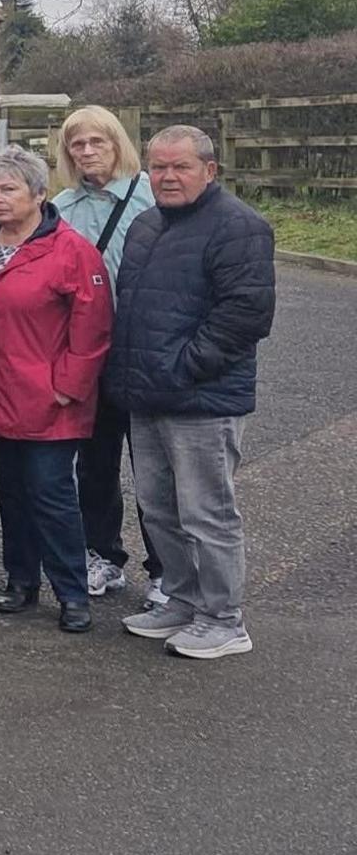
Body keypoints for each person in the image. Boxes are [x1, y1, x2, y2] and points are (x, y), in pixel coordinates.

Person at [111, 126, 274, 660]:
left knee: (207, 514)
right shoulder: (145, 225)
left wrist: (181, 369)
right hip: (148, 397)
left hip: (201, 399)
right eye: (158, 167)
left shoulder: (239, 228)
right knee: (159, 509)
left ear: (210, 170)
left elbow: (244, 316)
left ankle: (224, 619)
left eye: (180, 166)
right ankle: (181, 600)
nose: (167, 176)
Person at [0, 147, 112, 633]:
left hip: (48, 402)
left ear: (39, 195)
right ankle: (21, 579)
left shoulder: (72, 251)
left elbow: (94, 328)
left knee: (52, 495)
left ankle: (72, 591)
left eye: (8, 189)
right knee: (11, 492)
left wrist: (67, 387)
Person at [50, 105, 161, 603]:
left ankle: (165, 565)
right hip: (89, 352)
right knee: (94, 463)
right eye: (78, 144)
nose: (88, 152)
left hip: (142, 348)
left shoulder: (149, 198)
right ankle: (103, 554)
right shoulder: (62, 207)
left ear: (118, 144)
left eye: (98, 142)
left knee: (155, 465)